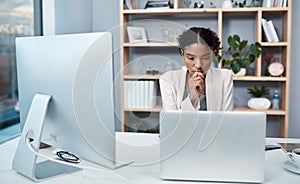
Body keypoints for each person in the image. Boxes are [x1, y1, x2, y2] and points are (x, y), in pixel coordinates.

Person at [159, 27, 233, 111]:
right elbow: (172, 121)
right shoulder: (168, 80)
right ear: (183, 54)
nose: (198, 65)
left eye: (205, 57)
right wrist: (193, 97)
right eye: (191, 58)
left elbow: (226, 119)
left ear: (214, 54)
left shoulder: (225, 77)